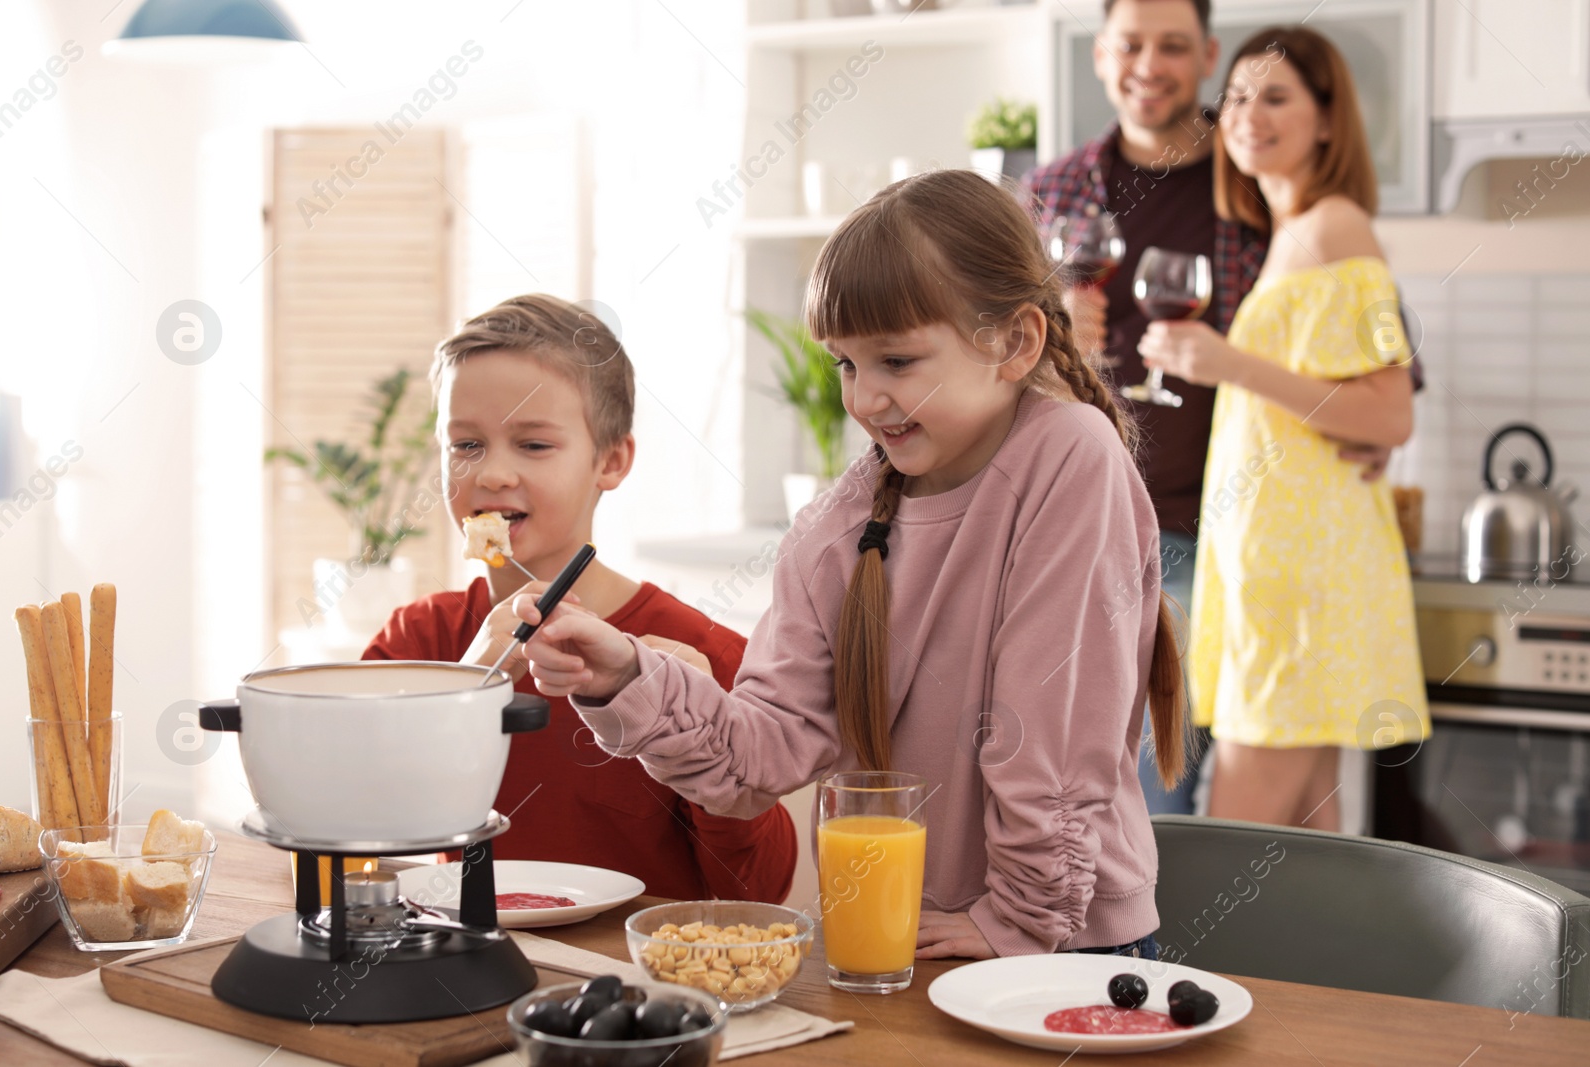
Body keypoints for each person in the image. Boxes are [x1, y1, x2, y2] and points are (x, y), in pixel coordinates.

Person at [509, 170, 1189, 960]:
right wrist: (625, 673)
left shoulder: (1070, 456)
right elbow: (756, 756)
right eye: (846, 365)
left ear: (1014, 342)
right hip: (902, 940)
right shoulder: (838, 528)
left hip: (1057, 947)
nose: (864, 399)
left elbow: (1048, 736)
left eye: (897, 361)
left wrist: (1022, 920)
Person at [1023, 0, 1402, 815]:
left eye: (1173, 46)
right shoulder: (1049, 192)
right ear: (1101, 54)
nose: (1148, 65)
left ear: (1206, 54)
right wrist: (1054, 335)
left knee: (1171, 811)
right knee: (1082, 791)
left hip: (1217, 535)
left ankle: (1169, 946)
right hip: (1079, 535)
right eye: (1130, 44)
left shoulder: (1262, 186)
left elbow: (1377, 363)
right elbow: (986, 358)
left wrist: (1374, 435)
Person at [362, 294, 797, 903]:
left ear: (611, 461)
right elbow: (347, 818)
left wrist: (700, 733)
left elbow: (760, 891)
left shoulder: (703, 654)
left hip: (638, 980)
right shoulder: (417, 640)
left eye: (534, 445)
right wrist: (465, 686)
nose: (491, 475)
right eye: (465, 445)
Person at [1136, 26, 1430, 830]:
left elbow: (1389, 408)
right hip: (1278, 574)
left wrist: (1225, 361)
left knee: (1235, 848)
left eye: (1276, 97)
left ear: (1328, 120)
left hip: (1302, 581)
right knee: (1302, 860)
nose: (1247, 115)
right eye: (1234, 97)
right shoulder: (1294, 231)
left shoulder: (1336, 228)